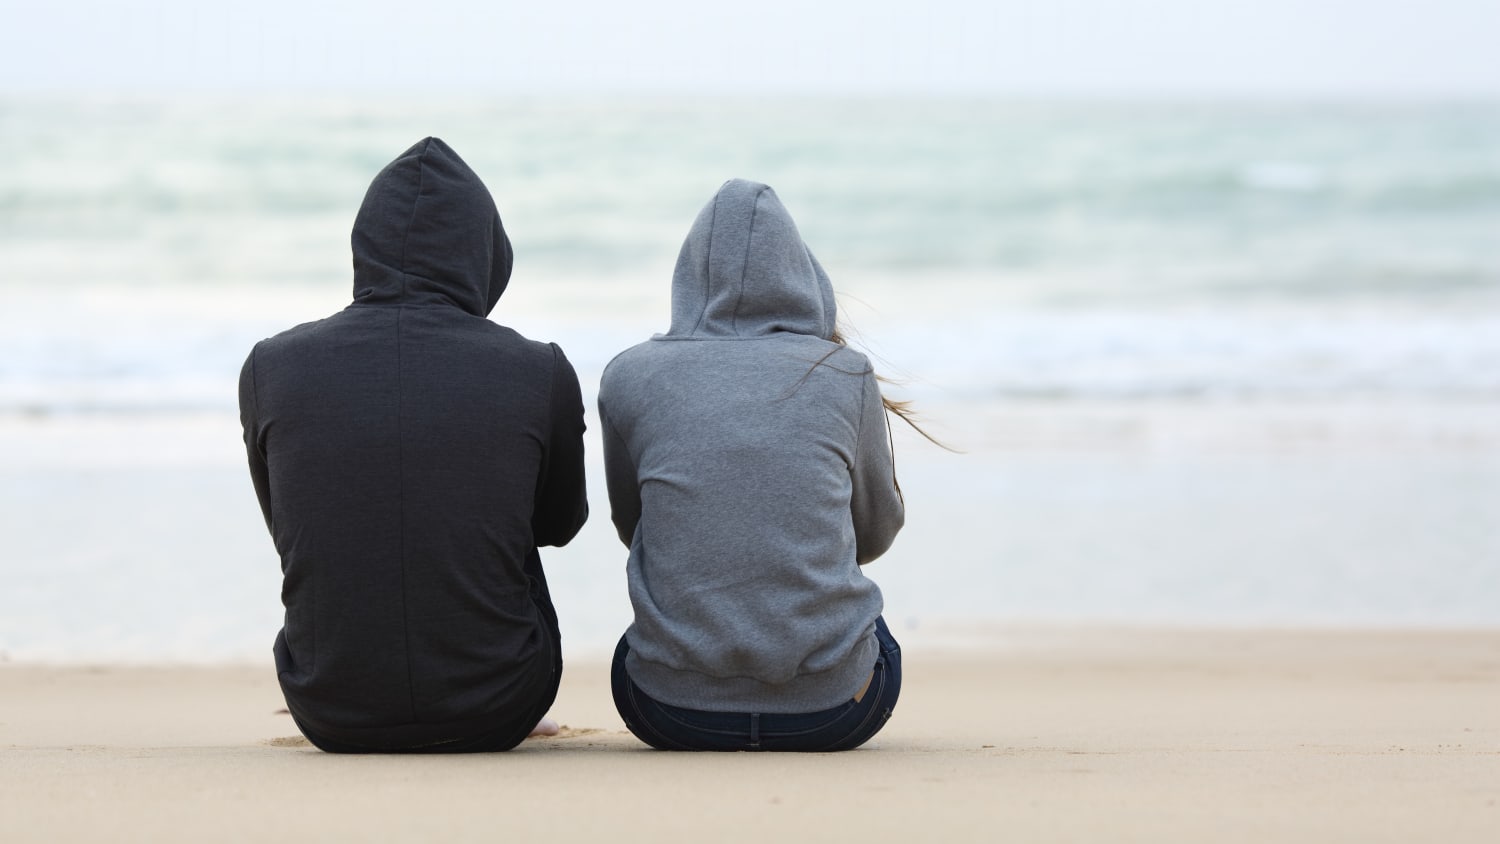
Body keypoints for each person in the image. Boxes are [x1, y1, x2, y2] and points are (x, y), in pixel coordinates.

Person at [237, 137, 587, 753]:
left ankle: (364, 675)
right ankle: (483, 664)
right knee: (495, 521)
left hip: (327, 707)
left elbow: (288, 524)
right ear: (486, 253)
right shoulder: (538, 369)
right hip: (500, 705)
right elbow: (558, 525)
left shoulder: (272, 366)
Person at [598, 179, 908, 751]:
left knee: (639, 646)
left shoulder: (630, 374)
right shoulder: (845, 373)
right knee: (873, 632)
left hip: (669, 712)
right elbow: (877, 531)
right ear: (803, 275)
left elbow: (636, 527)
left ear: (688, 277)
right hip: (837, 711)